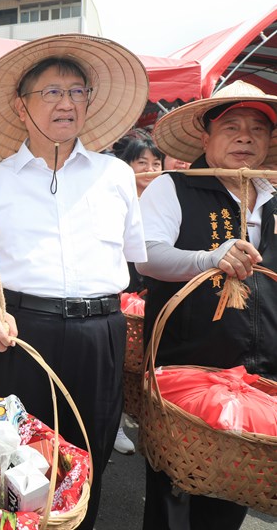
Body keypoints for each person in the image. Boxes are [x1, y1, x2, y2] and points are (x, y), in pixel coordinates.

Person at [0, 34, 148, 530]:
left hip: (102, 333)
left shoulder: (115, 175)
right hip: (19, 333)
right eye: (51, 92)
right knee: (12, 466)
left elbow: (137, 257)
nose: (66, 103)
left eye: (77, 92)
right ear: (21, 104)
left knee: (88, 459)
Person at [135, 80, 277, 529]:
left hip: (257, 370)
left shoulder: (273, 198)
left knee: (234, 485)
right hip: (187, 367)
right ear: (205, 136)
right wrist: (207, 259)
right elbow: (146, 256)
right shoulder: (173, 187)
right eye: (231, 126)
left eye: (257, 129)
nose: (245, 137)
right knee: (176, 492)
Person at [109, 128, 165, 456]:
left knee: (146, 362)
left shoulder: (167, 199)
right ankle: (113, 424)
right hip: (122, 288)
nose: (149, 168)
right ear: (127, 165)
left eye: (155, 162)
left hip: (153, 289)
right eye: (141, 161)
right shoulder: (118, 196)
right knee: (118, 360)